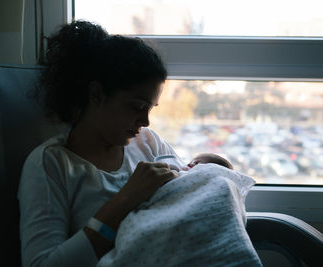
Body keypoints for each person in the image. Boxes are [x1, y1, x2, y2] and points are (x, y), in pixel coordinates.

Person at [18, 20, 261, 267]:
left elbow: (188, 204)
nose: (145, 121)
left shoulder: (148, 144)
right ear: (96, 94)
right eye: (136, 107)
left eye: (150, 109)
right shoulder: (51, 164)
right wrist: (126, 198)